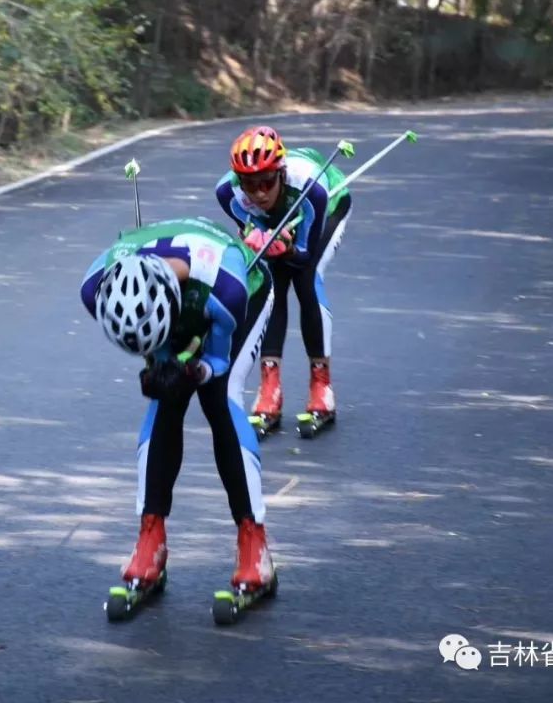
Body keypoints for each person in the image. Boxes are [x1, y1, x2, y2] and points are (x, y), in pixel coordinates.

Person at [80, 216, 275, 592]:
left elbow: (216, 362)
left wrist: (194, 371)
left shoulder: (227, 292)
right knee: (165, 402)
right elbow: (142, 333)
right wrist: (159, 365)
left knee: (221, 400)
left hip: (242, 292)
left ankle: (255, 543)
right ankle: (151, 537)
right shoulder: (95, 290)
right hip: (170, 301)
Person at [215, 125, 352, 429]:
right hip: (282, 216)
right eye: (250, 185)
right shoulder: (227, 193)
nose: (259, 192)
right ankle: (269, 389)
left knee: (306, 279)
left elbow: (302, 255)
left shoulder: (311, 187)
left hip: (329, 205)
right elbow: (251, 225)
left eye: (266, 181)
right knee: (270, 286)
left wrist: (287, 248)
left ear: (280, 173)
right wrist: (257, 238)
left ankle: (321, 387)